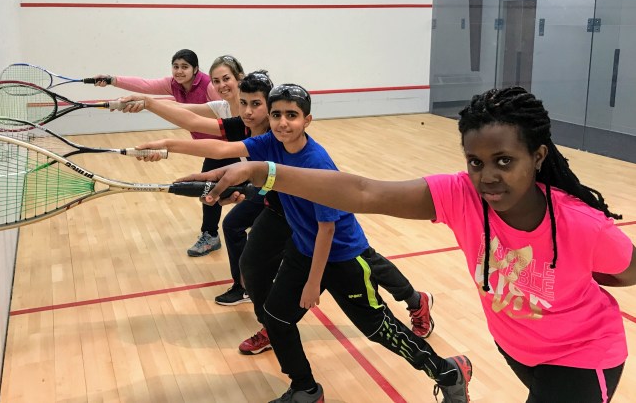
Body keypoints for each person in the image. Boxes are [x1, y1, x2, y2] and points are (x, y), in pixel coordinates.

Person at [191, 86, 636, 403]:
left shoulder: (581, 224)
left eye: (505, 161)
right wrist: (261, 171)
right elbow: (365, 192)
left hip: (582, 357)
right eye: (476, 162)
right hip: (518, 350)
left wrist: (576, 278)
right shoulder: (462, 195)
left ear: (537, 157)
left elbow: (628, 271)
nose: (489, 176)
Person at [138, 83, 468, 403]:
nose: (283, 122)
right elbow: (222, 150)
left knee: (378, 329)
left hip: (342, 257)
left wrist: (312, 284)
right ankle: (305, 387)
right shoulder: (269, 143)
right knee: (277, 317)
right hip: (302, 248)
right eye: (277, 114)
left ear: (306, 120)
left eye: (292, 115)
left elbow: (327, 228)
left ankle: (447, 371)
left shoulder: (317, 162)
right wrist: (169, 145)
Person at [97, 51, 245, 256]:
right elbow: (184, 111)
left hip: (234, 150)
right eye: (176, 66)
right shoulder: (219, 105)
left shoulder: (236, 106)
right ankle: (211, 235)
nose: (221, 85)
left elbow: (195, 120)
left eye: (226, 79)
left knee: (249, 201)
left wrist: (151, 106)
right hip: (221, 148)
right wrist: (146, 102)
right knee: (211, 192)